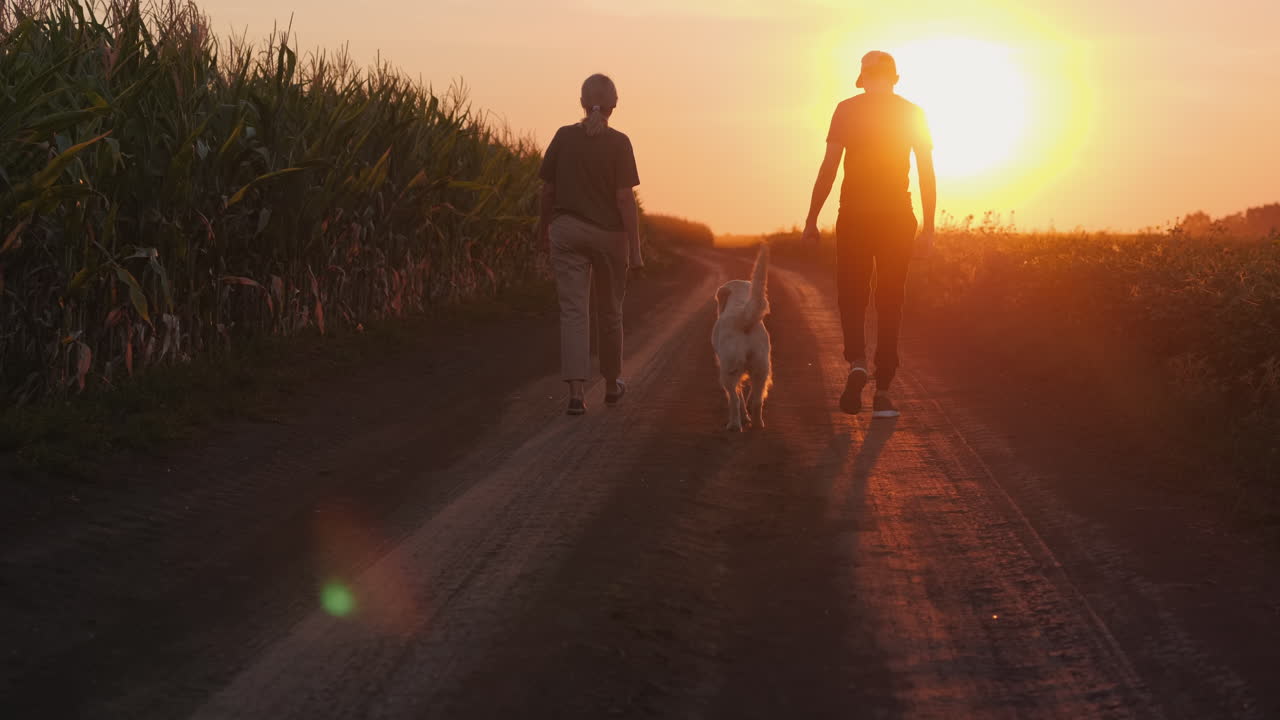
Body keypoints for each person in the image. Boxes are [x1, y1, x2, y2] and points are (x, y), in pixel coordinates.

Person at [802, 50, 936, 418]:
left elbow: (829, 168)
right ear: (894, 77)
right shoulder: (912, 112)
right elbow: (926, 172)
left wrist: (812, 219)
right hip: (897, 218)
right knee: (891, 300)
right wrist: (930, 227)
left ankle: (857, 362)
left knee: (852, 295)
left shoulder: (846, 109)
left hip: (855, 217)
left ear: (863, 77)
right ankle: (884, 391)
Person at [537, 73, 644, 416]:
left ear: (582, 103)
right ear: (614, 106)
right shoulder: (620, 143)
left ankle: (576, 395)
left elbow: (548, 191)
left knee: (573, 312)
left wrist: (543, 229)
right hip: (610, 237)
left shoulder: (564, 137)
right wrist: (637, 251)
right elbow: (624, 200)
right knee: (610, 312)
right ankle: (612, 386)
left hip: (567, 232)